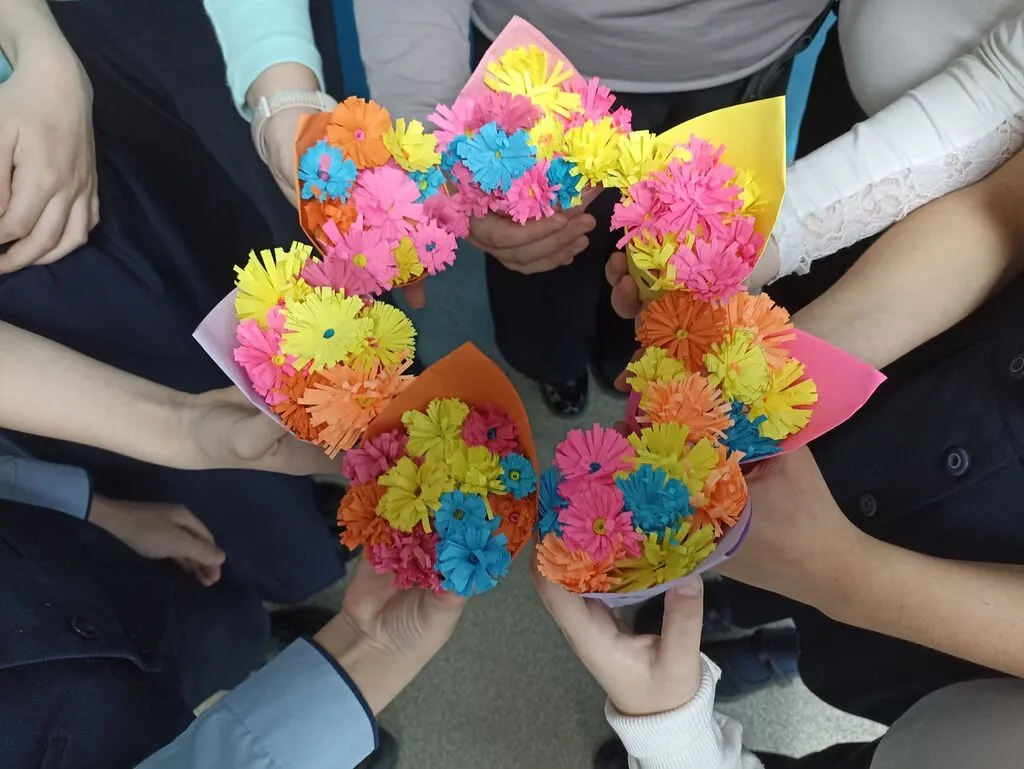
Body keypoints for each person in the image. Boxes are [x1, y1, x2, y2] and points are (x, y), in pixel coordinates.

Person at [353, 0, 837, 416]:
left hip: (742, 64)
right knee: (538, 247)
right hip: (537, 70)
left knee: (665, 266)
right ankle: (553, 364)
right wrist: (434, 146)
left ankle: (619, 355)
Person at [534, 556, 1024, 769]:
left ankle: (766, 656)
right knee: (831, 632)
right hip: (965, 685)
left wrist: (673, 743)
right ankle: (761, 638)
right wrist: (851, 569)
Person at [748, 1, 1024, 286]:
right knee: (780, 291)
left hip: (932, 171)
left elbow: (1004, 84)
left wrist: (762, 228)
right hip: (841, 71)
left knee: (809, 294)